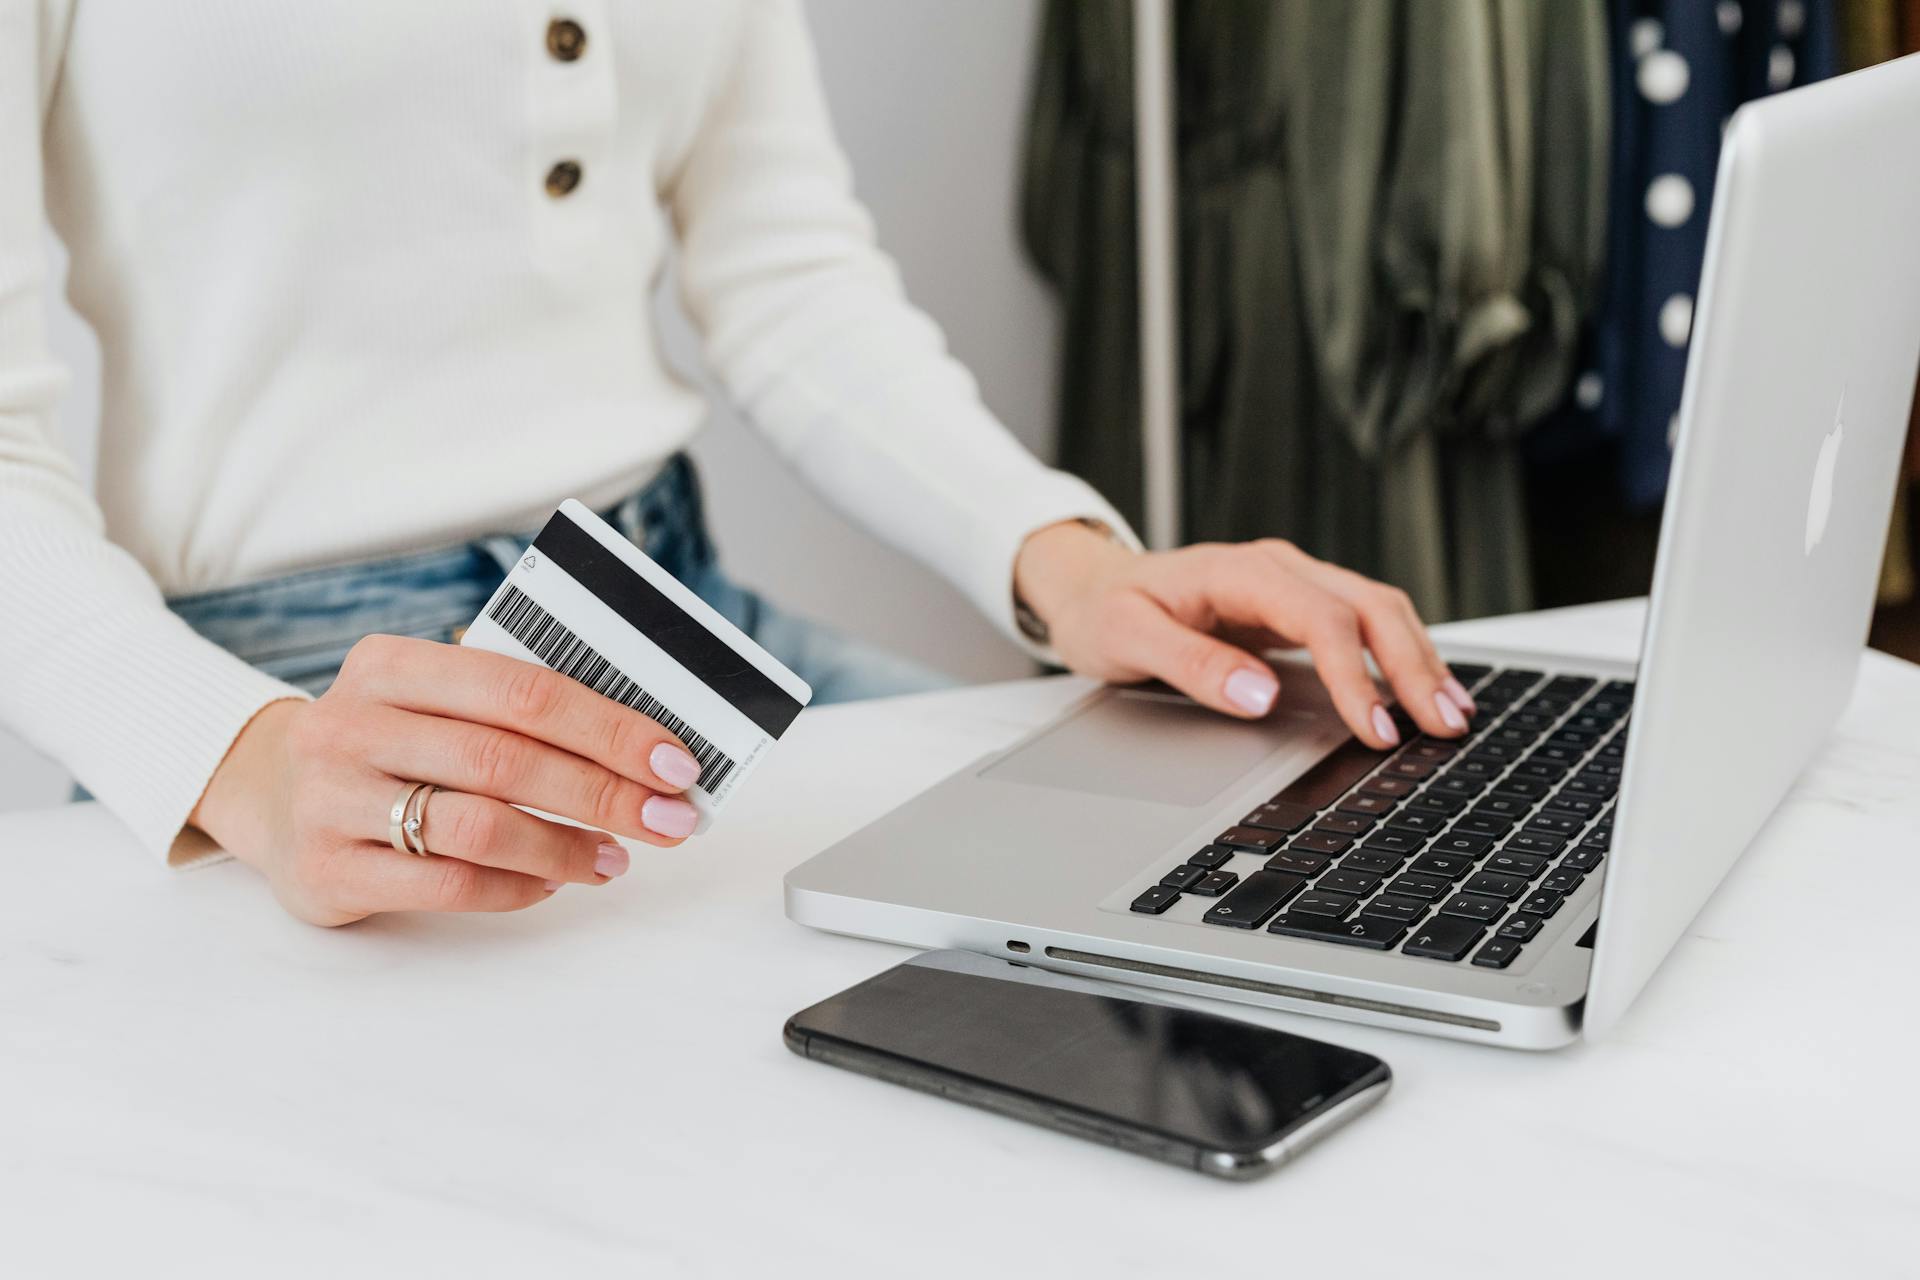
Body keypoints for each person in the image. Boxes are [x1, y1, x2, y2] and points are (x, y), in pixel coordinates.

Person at [0, 2, 1475, 926]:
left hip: (677, 620)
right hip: (302, 703)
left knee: (1271, 872)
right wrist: (239, 764)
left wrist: (1070, 559)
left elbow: (787, 271)